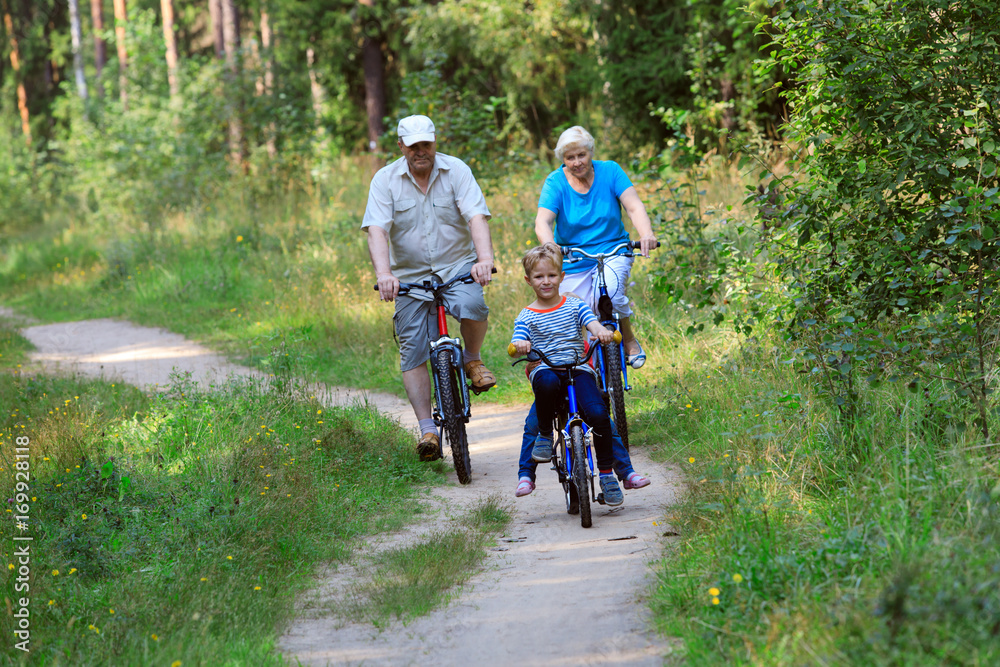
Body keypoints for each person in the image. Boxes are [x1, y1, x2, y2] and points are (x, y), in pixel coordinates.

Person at [515, 126, 655, 497]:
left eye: (581, 155)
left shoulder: (610, 171)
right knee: (576, 308)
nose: (576, 162)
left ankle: (627, 339)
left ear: (591, 152)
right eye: (569, 157)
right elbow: (544, 221)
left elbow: (634, 206)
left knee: (612, 292)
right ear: (562, 160)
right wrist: (552, 252)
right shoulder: (555, 183)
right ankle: (586, 362)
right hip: (572, 258)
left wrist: (645, 233)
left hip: (613, 249)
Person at [363, 114, 497, 461]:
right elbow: (377, 229)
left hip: (455, 266)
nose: (421, 151)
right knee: (412, 349)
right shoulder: (385, 180)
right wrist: (384, 274)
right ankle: (427, 429)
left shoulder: (457, 171)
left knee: (473, 304)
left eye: (426, 144)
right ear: (401, 146)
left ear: (435, 142)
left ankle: (473, 359)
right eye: (413, 146)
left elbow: (476, 217)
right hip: (408, 276)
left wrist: (484, 259)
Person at [510, 243, 624, 506]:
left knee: (597, 413)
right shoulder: (526, 315)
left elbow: (591, 322)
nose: (546, 281)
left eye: (551, 275)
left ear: (562, 277)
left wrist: (600, 332)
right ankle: (544, 438)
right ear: (529, 280)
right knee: (545, 385)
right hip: (547, 369)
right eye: (539, 277)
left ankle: (608, 475)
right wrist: (520, 346)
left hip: (578, 369)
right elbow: (517, 340)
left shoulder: (574, 305)